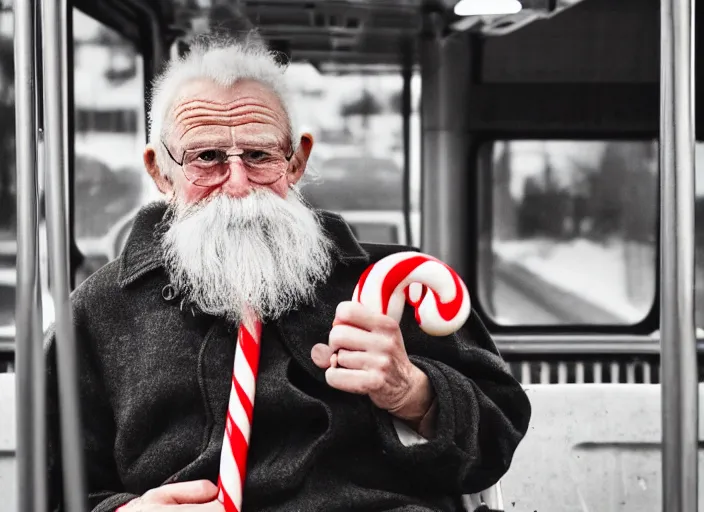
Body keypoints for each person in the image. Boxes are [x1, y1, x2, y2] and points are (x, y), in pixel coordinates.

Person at [46, 33, 531, 512]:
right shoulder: (99, 310)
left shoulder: (394, 285)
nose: (236, 186)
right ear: (159, 171)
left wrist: (412, 391)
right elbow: (55, 489)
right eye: (207, 158)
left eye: (258, 156)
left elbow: (496, 445)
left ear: (296, 160)